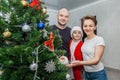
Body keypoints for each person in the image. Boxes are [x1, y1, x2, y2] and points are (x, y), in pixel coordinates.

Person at [71, 15, 108, 80]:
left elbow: (96, 60)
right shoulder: (85, 40)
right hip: (87, 73)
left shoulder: (99, 39)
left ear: (95, 27)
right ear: (82, 27)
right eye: (85, 26)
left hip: (98, 73)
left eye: (90, 26)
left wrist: (80, 62)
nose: (87, 28)